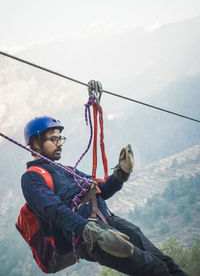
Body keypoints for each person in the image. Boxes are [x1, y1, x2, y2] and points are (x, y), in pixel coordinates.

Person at [21, 116, 188, 275]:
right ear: (36, 143)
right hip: (90, 238)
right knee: (154, 268)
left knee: (165, 262)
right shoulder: (32, 177)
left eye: (60, 138)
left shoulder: (67, 169)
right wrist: (91, 232)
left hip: (107, 221)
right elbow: (54, 210)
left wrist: (121, 174)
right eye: (54, 139)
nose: (60, 143)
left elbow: (101, 190)